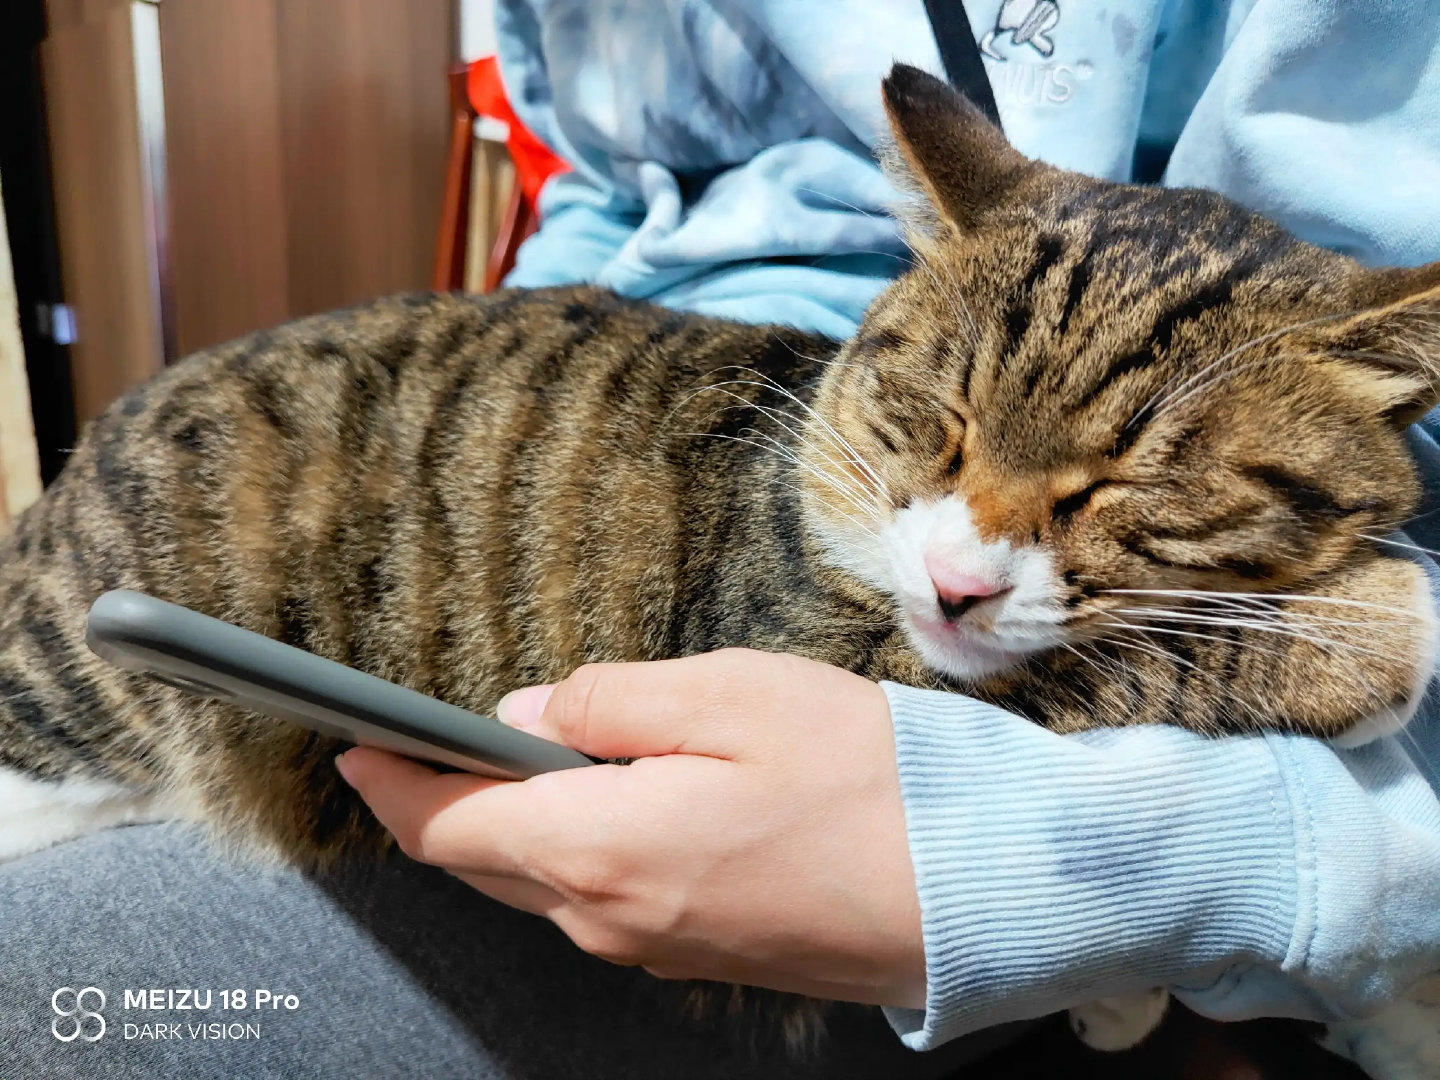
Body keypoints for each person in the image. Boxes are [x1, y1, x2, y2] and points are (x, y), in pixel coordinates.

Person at [4, 3, 1439, 1078]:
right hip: (247, 547)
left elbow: (893, 712)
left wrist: (1264, 818)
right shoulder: (862, 417)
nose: (958, 553)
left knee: (47, 1009)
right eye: (931, 439)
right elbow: (608, 198)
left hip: (882, 919)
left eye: (1106, 492)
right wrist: (1255, 669)